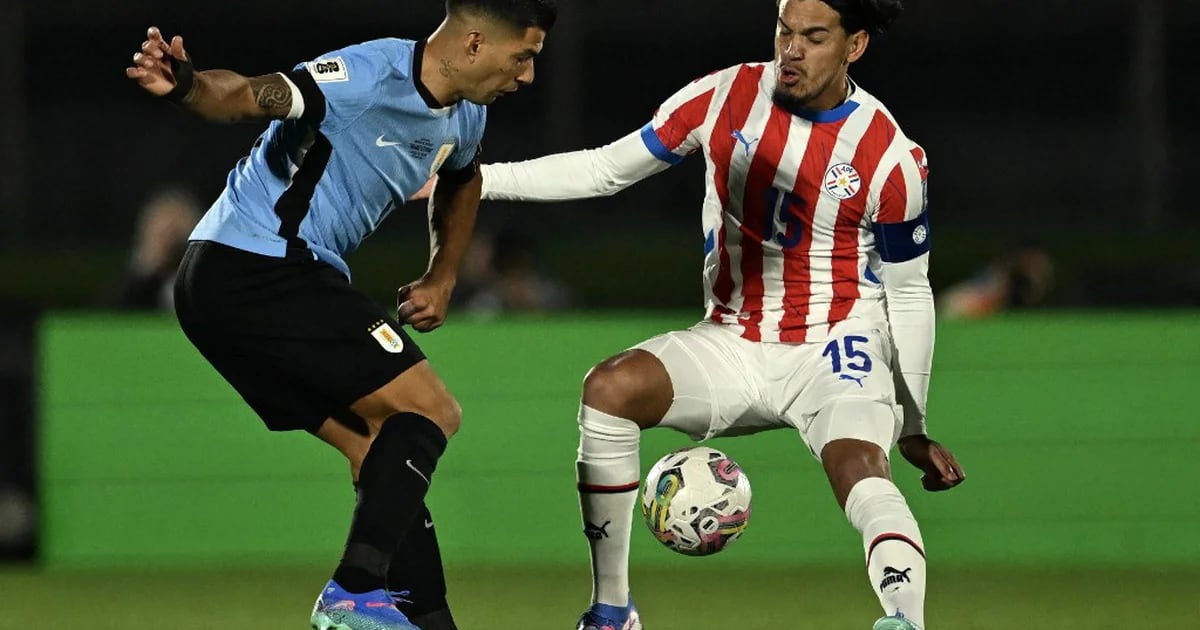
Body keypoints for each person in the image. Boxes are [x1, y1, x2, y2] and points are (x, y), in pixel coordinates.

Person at [477, 1, 963, 628]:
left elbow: (910, 290)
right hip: (731, 340)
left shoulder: (890, 156)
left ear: (855, 46)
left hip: (837, 343)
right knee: (609, 390)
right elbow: (604, 169)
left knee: (859, 468)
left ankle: (904, 619)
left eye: (814, 38)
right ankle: (611, 609)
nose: (792, 50)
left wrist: (913, 420)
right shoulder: (724, 97)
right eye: (785, 33)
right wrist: (479, 179)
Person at [125, 1, 556, 629]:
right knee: (431, 410)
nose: (527, 76)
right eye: (523, 56)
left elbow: (464, 182)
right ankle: (353, 592)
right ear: (472, 45)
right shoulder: (365, 76)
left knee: (378, 448)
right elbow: (248, 94)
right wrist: (187, 85)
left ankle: (427, 621)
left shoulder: (466, 115)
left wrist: (443, 275)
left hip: (244, 285)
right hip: (253, 265)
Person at [108, 188, 201, 311]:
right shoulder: (140, 281)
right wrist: (143, 272)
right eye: (161, 233)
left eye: (174, 231)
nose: (168, 239)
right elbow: (113, 314)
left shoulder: (201, 277)